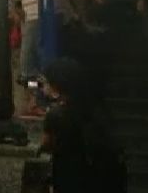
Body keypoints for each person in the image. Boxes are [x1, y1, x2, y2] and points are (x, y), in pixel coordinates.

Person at [40, 58, 125, 193]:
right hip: (97, 178)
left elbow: (46, 143)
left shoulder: (57, 115)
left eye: (46, 83)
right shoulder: (96, 109)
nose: (44, 87)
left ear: (57, 86)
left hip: (69, 174)